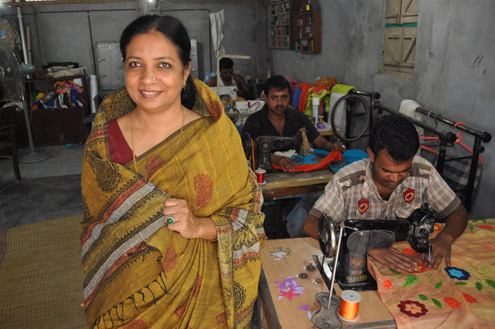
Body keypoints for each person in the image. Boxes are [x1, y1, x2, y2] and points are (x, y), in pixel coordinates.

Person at [80, 15, 265, 329]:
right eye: (135, 64)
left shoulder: (214, 137)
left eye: (163, 65)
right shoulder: (103, 143)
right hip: (126, 303)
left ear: (185, 71)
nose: (147, 79)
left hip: (202, 300)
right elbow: (97, 232)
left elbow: (250, 217)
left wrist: (198, 226)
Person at [302, 115, 468, 273]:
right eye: (386, 170)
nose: (395, 178)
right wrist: (365, 247)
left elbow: (458, 211)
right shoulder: (347, 182)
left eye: (404, 170)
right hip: (358, 259)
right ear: (371, 155)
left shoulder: (423, 172)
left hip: (403, 257)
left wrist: (445, 237)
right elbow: (311, 224)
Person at [241, 75, 345, 172]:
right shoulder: (254, 122)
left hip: (294, 170)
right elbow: (248, 151)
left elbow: (320, 142)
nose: (280, 103)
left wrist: (332, 146)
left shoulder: (298, 117)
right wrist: (274, 159)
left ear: (289, 97)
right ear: (265, 98)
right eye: (274, 97)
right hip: (265, 174)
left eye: (284, 97)